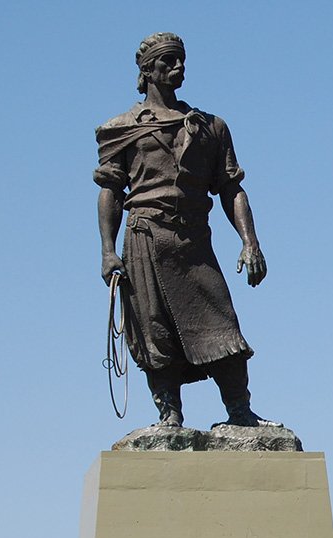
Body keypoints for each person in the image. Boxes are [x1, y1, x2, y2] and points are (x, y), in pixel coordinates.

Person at [94, 32, 274, 428]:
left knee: (222, 323)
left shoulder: (210, 127)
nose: (178, 68)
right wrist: (108, 251)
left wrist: (250, 242)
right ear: (147, 71)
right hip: (145, 239)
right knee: (153, 328)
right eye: (168, 61)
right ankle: (169, 415)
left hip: (194, 239)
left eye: (182, 61)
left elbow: (231, 188)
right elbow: (110, 189)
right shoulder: (121, 129)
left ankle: (240, 413)